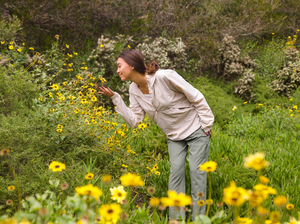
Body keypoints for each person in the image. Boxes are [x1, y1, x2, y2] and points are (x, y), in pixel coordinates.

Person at [99, 49, 214, 221]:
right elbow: (135, 120)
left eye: (119, 66)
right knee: (175, 173)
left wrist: (206, 124)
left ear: (131, 65)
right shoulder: (133, 89)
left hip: (196, 129)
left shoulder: (164, 77)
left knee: (197, 174)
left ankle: (199, 219)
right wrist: (116, 98)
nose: (117, 70)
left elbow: (195, 96)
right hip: (174, 136)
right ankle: (175, 219)